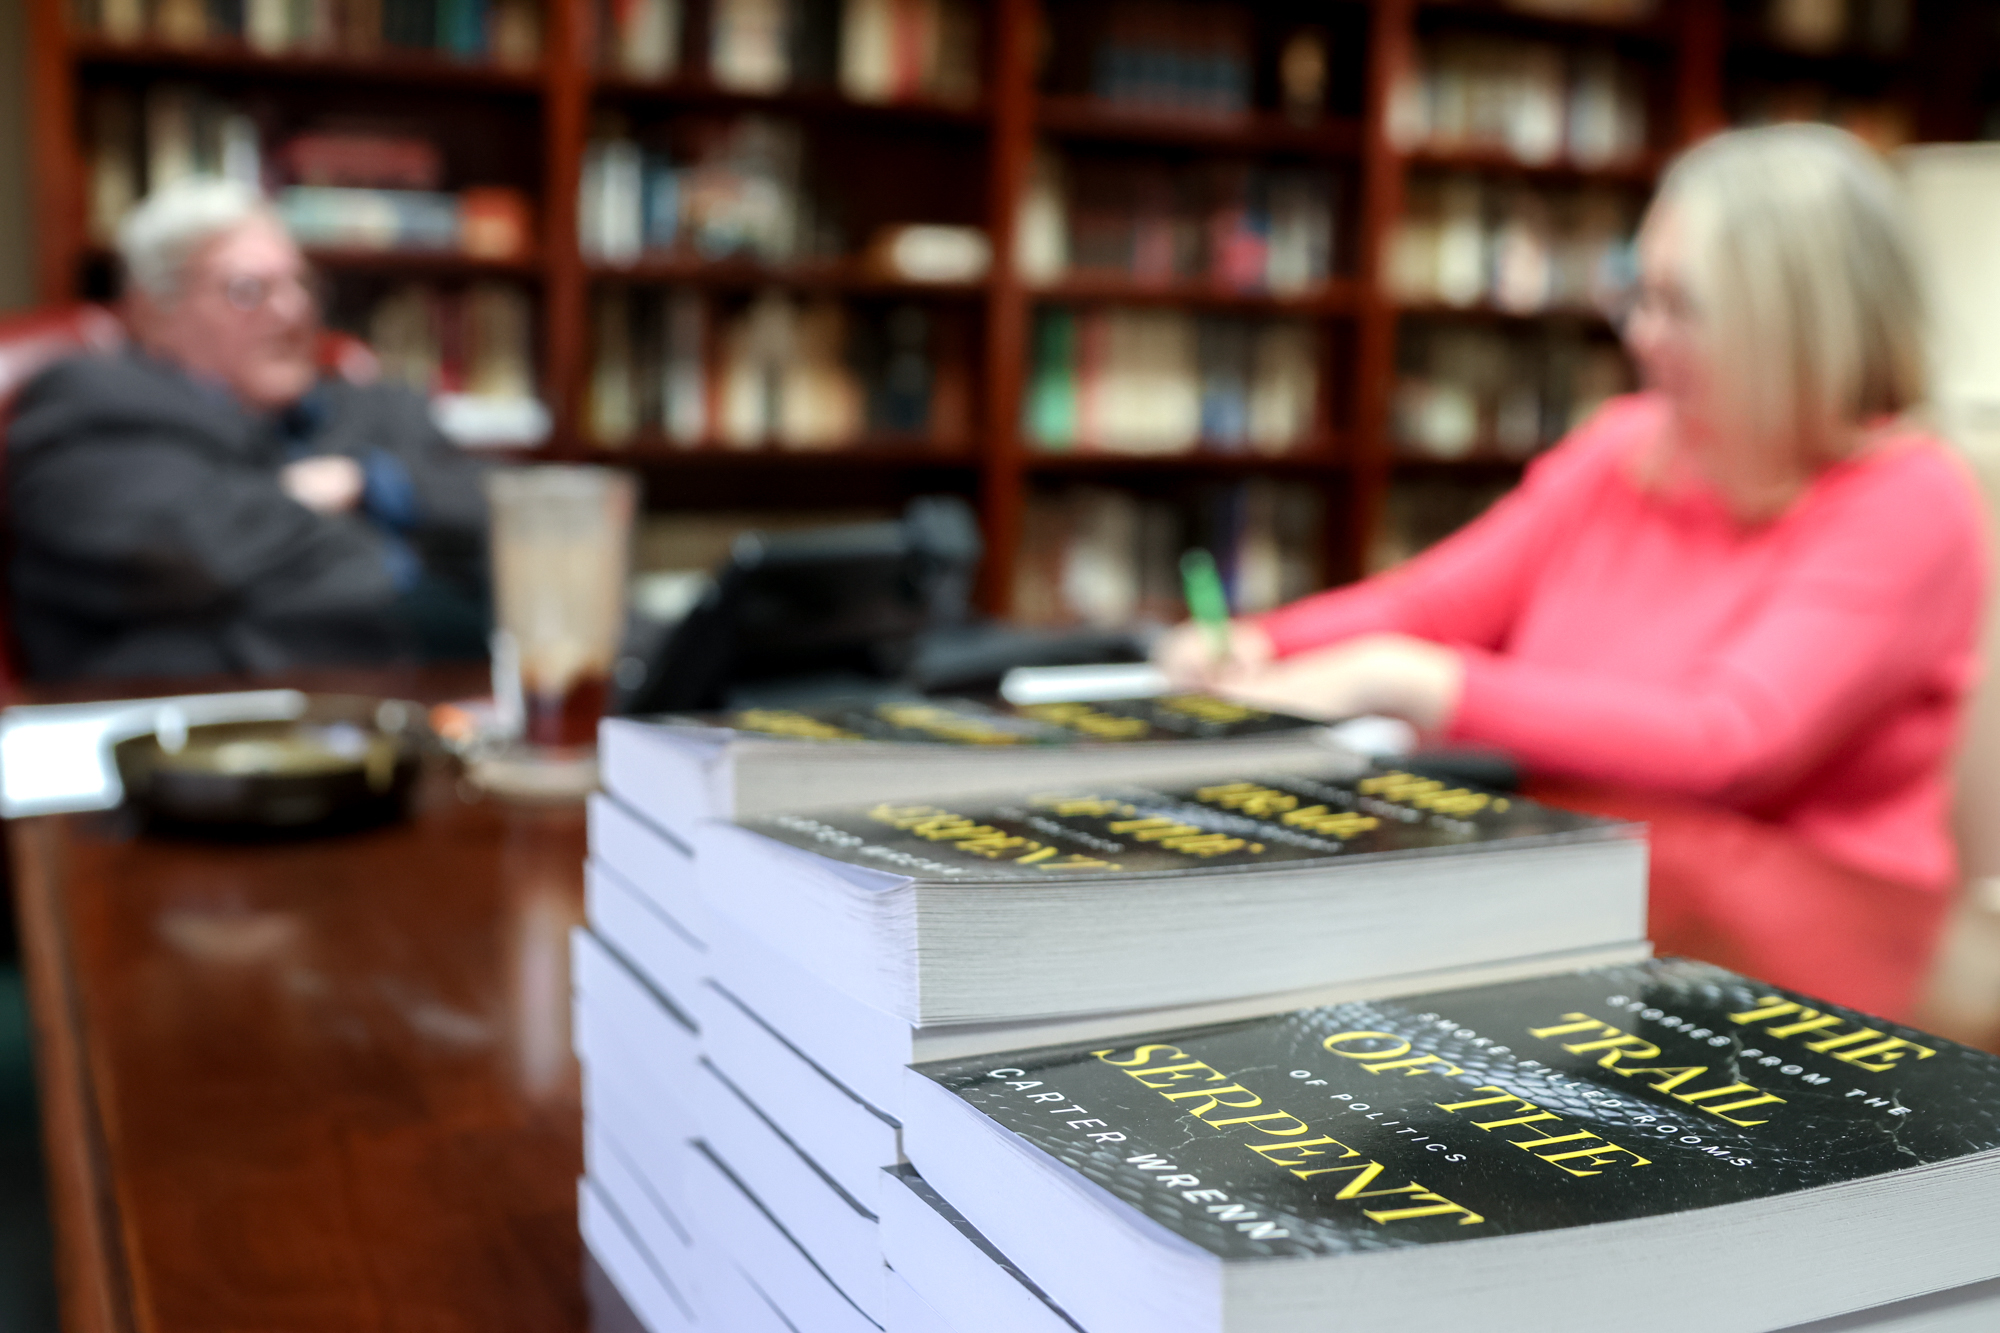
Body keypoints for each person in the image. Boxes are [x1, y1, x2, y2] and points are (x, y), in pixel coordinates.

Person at [1158, 124, 1989, 1019]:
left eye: (1681, 306)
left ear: (1793, 330)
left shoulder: (1910, 497)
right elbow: (1436, 601)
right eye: (1641, 295)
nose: (1640, 334)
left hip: (1811, 973)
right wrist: (1263, 640)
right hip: (1597, 904)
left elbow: (1729, 740)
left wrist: (1417, 682)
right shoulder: (1628, 444)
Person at [7, 177, 489, 680]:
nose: (293, 311)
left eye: (302, 284)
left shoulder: (380, 404)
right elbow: (193, 558)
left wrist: (366, 482)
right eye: (248, 290)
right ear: (154, 311)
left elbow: (506, 512)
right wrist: (411, 565)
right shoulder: (92, 401)